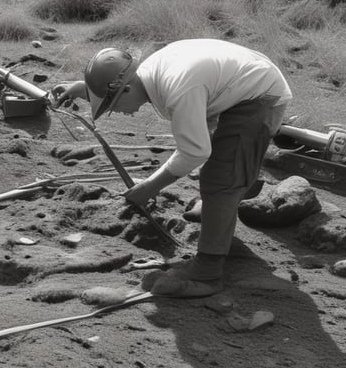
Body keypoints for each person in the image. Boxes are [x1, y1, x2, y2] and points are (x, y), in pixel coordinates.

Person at [52, 39, 293, 298]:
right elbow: (124, 90)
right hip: (236, 85)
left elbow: (194, 151)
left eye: (111, 107)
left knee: (219, 178)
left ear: (125, 88)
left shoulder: (178, 89)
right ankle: (226, 207)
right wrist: (84, 89)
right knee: (225, 168)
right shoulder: (147, 74)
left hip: (259, 96)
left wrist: (150, 186)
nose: (117, 112)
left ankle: (207, 273)